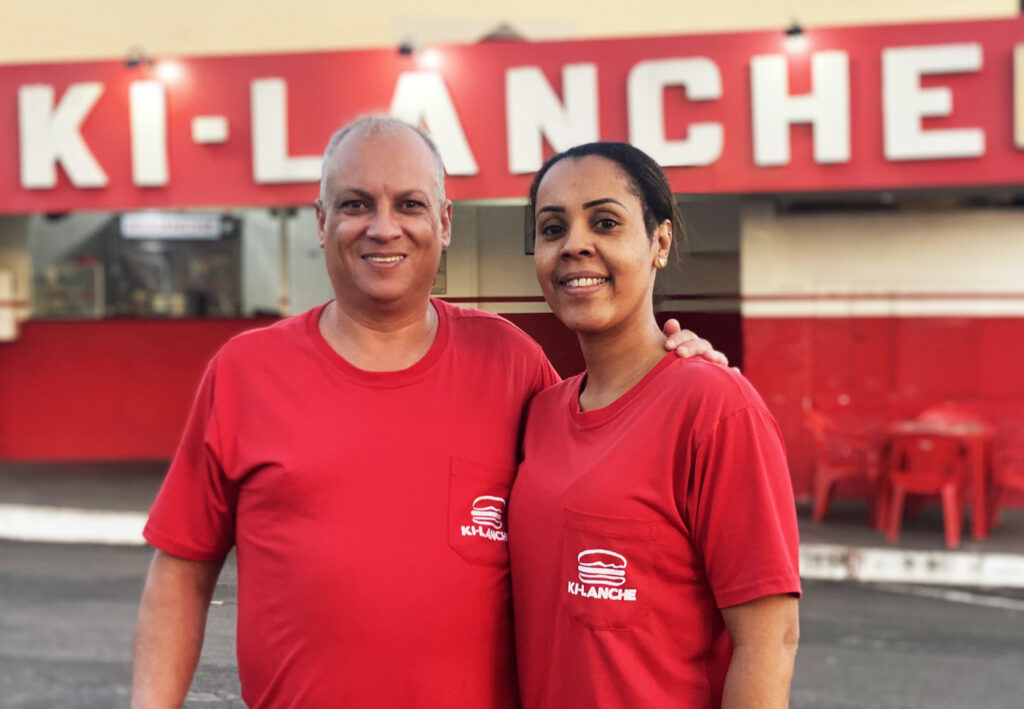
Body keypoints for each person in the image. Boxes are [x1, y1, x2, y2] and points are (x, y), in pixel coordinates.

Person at [131, 117, 725, 708]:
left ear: (444, 223)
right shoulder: (245, 373)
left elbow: (606, 434)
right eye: (356, 204)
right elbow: (182, 569)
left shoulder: (512, 364)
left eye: (409, 204)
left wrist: (677, 366)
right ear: (321, 222)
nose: (383, 227)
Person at [509, 142, 801, 708]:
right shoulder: (541, 413)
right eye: (552, 229)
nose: (574, 245)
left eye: (605, 222)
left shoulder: (715, 407)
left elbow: (770, 642)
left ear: (659, 243)